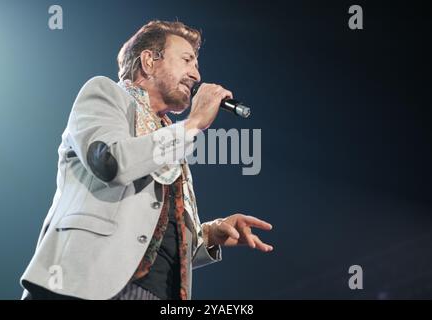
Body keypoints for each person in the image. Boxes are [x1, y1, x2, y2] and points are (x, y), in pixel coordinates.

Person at [20, 20, 273, 300]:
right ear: (149, 61)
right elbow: (111, 162)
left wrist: (210, 234)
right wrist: (194, 124)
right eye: (187, 60)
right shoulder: (106, 94)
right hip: (83, 285)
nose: (196, 75)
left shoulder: (169, 137)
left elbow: (154, 230)